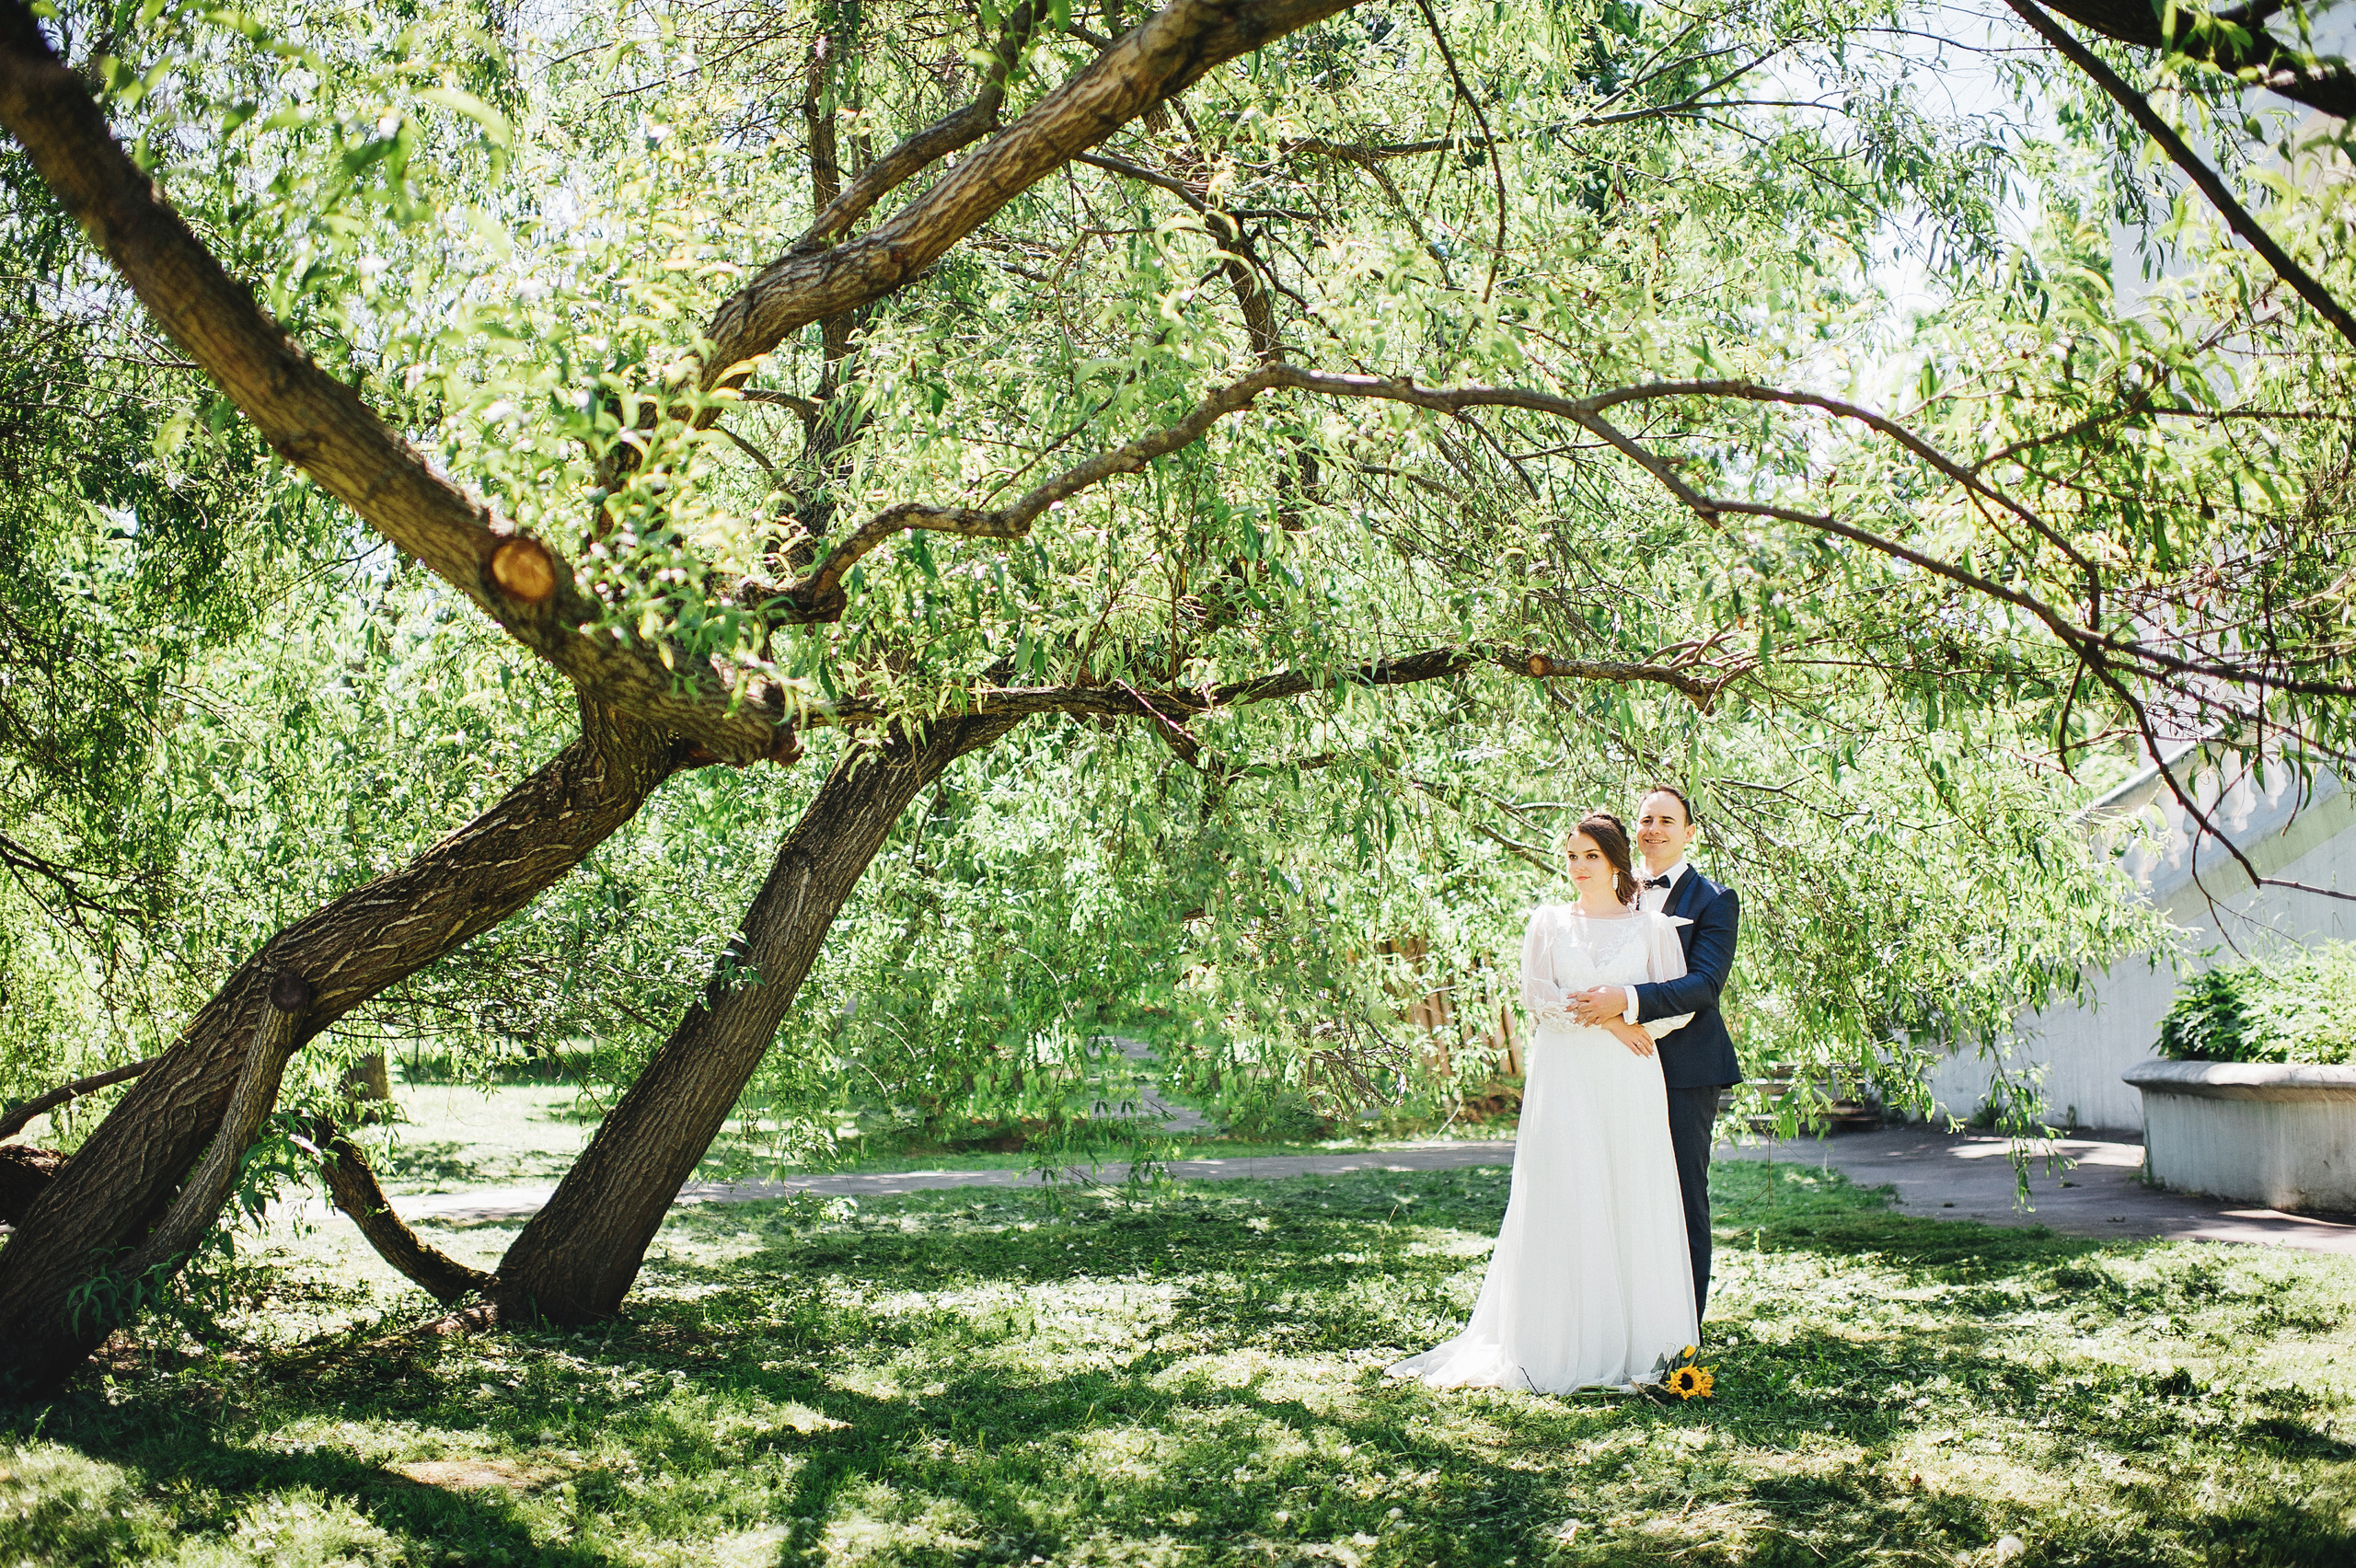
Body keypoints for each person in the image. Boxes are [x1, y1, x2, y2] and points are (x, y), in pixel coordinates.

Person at [1385, 812, 1700, 1393]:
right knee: (1566, 1186)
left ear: (1615, 864)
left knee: (1627, 1187)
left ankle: (1632, 1339)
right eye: (1572, 856)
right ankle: (1557, 1339)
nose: (1578, 868)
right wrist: (1609, 1022)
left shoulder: (1652, 929)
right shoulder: (1549, 923)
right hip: (1567, 1074)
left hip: (1629, 1075)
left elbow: (1678, 1003)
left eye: (1590, 857)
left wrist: (1635, 1021)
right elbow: (1538, 997)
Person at [1569, 785, 1740, 1321]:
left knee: (1682, 1195)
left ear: (1689, 833)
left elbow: (1704, 984)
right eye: (1645, 819)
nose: (1654, 830)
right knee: (1620, 1189)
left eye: (1668, 820)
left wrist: (1627, 1000)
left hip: (1685, 1069)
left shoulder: (1713, 900)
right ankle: (1628, 1323)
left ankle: (1683, 1332)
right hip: (1615, 1065)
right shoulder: (1611, 895)